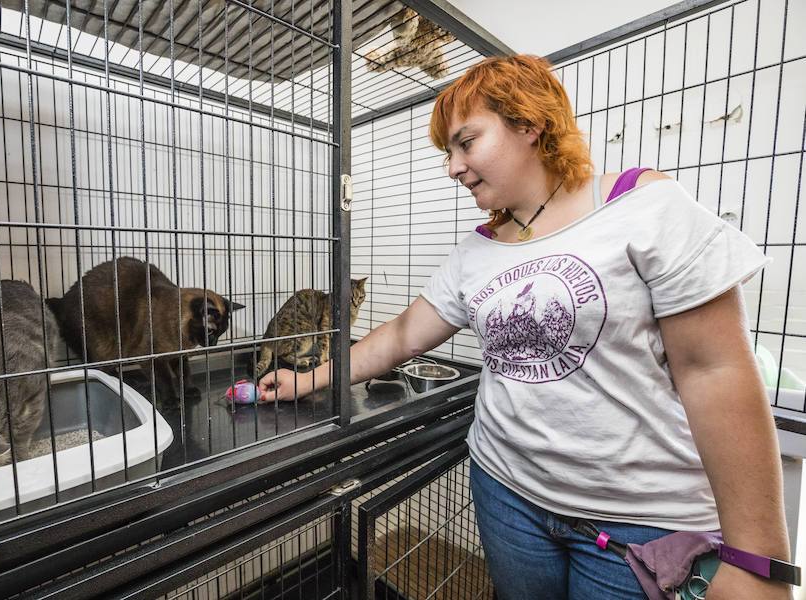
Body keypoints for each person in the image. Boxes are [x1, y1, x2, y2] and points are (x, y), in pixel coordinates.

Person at [258, 55, 793, 599]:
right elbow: (399, 336)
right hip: (506, 494)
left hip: (640, 521)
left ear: (528, 124)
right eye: (449, 151)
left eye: (466, 143)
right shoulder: (477, 252)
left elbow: (716, 370)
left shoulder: (640, 205)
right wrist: (308, 380)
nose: (453, 167)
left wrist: (757, 558)